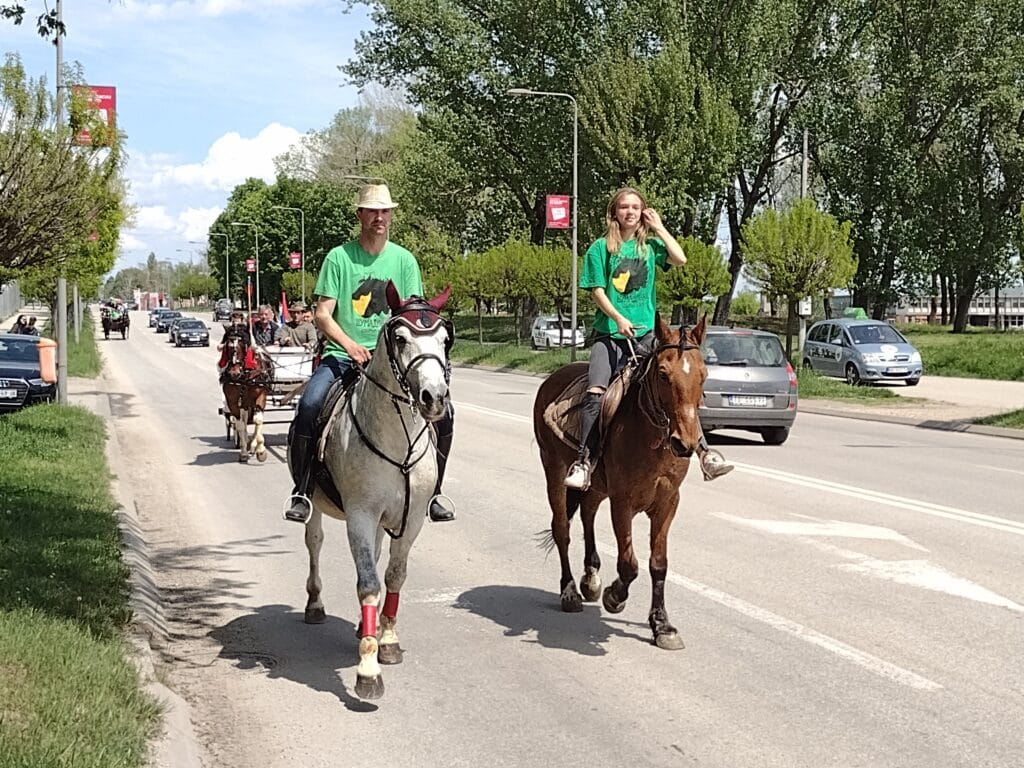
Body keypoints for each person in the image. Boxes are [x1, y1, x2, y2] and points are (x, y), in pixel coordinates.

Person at [283, 184, 456, 525]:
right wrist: (349, 344)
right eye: (373, 211)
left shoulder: (404, 259)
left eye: (385, 211)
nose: (380, 217)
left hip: (393, 361)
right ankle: (303, 490)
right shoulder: (339, 257)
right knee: (309, 405)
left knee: (445, 414)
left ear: (391, 215)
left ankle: (434, 491)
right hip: (343, 356)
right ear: (360, 215)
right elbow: (322, 314)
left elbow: (413, 314)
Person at [564, 187, 734, 490]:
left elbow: (679, 258)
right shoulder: (600, 249)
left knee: (677, 388)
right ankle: (584, 461)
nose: (630, 212)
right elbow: (597, 291)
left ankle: (705, 454)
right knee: (596, 392)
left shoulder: (649, 246)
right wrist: (617, 317)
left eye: (635, 207)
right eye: (624, 207)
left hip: (646, 335)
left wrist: (658, 227)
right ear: (614, 212)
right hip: (610, 335)